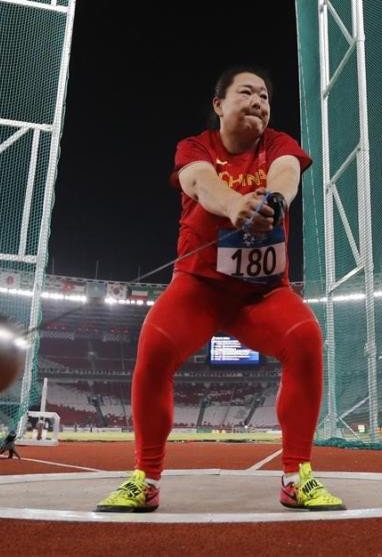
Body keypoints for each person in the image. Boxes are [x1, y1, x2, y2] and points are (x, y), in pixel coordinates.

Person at [96, 66, 344, 512]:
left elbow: (288, 173)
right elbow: (199, 183)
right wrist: (235, 206)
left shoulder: (278, 145)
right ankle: (145, 479)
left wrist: (275, 201)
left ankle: (297, 475)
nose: (259, 102)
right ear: (218, 104)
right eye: (247, 92)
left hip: (263, 296)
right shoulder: (195, 147)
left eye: (265, 97)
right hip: (199, 290)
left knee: (306, 337)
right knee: (153, 347)